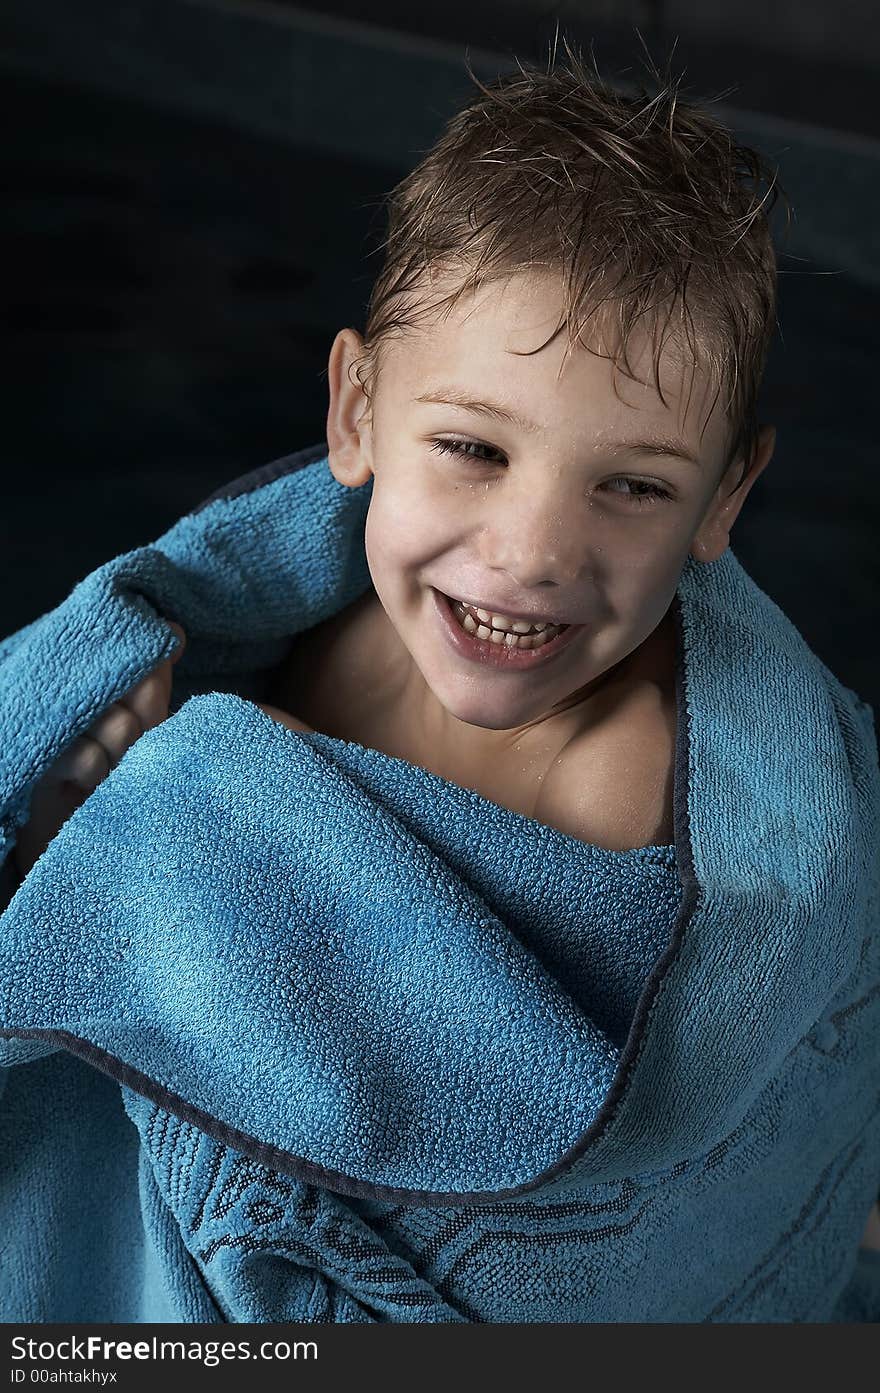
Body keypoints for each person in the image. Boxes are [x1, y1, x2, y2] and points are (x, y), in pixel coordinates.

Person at [2, 38, 878, 1323]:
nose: (529, 555)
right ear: (356, 412)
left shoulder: (622, 801)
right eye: (471, 448)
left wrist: (142, 815)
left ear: (722, 498)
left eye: (630, 486)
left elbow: (522, 1178)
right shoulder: (315, 615)